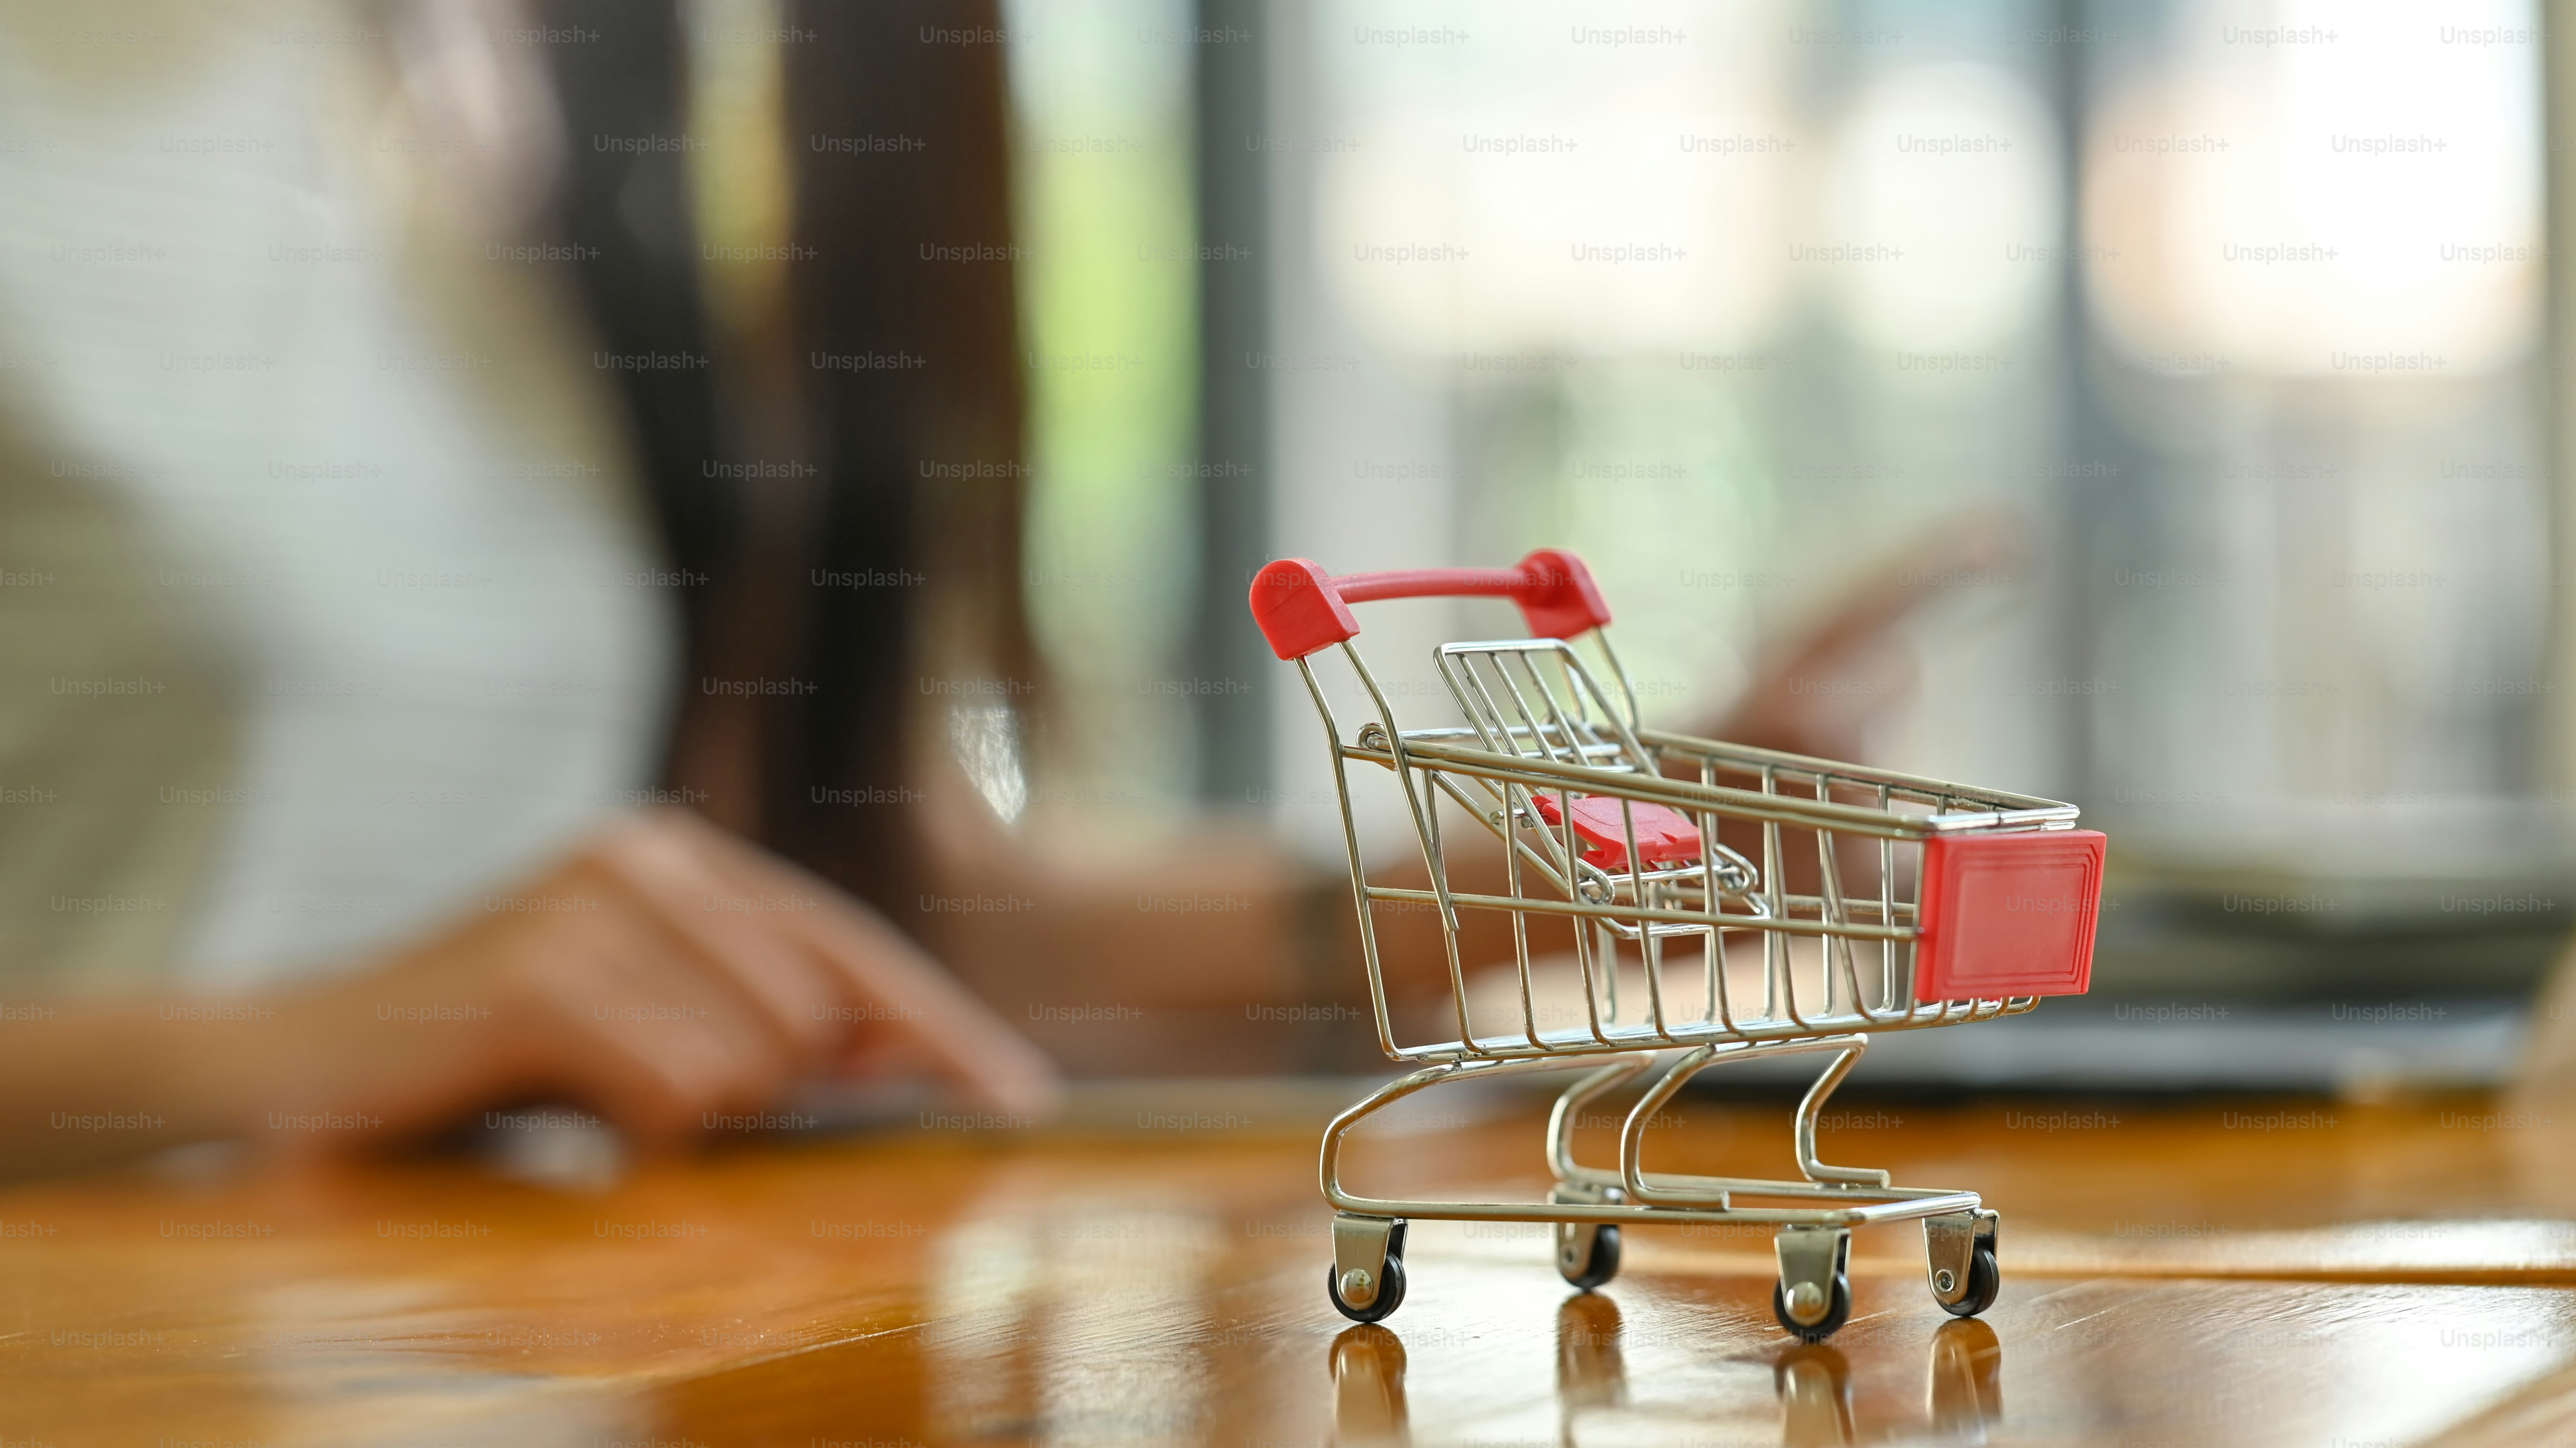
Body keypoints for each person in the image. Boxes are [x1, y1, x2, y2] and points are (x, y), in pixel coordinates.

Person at [0, 0, 1998, 1175]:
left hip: (489, 1345)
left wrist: (1604, 851)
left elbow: (862, 908)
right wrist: (293, 1045)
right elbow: (467, 984)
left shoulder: (487, 110)